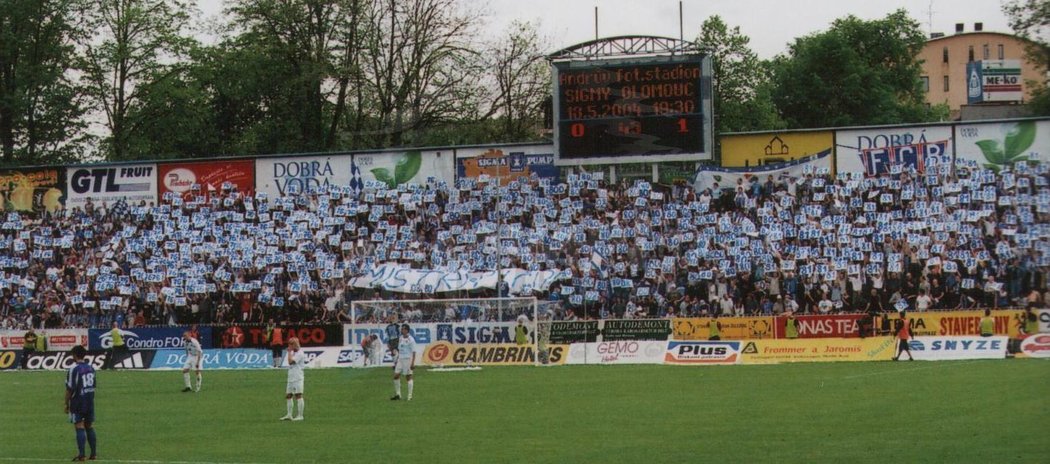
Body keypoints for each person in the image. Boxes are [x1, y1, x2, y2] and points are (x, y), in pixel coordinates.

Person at [65, 345, 98, 461]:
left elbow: (70, 388)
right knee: (89, 425)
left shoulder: (73, 368)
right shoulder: (91, 367)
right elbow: (94, 385)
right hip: (89, 400)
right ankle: (93, 454)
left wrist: (66, 403)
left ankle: (82, 455)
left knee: (79, 426)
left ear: (74, 355)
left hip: (78, 401)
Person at [280, 337, 305, 421]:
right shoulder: (294, 352)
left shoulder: (300, 353)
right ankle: (289, 414)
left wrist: (289, 352)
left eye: (290, 345)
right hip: (291, 376)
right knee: (288, 395)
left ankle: (300, 415)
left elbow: (291, 362)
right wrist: (290, 352)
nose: (289, 347)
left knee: (298, 395)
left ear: (294, 345)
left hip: (298, 377)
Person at [391, 324, 415, 401]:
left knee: (408, 377)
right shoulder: (401, 338)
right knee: (396, 376)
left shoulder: (411, 340)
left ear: (407, 330)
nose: (401, 330)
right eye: (401, 329)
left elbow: (414, 352)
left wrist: (413, 363)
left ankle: (409, 396)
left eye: (403, 329)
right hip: (400, 359)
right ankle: (398, 394)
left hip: (408, 359)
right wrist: (396, 360)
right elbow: (399, 349)